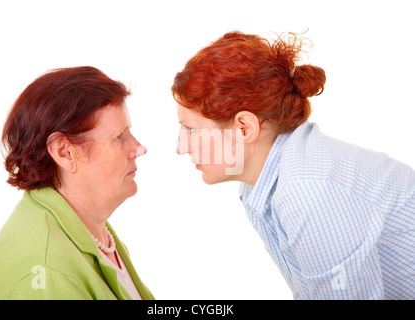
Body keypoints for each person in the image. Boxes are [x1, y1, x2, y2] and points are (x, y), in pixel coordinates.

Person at [172, 31, 415, 299]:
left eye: (190, 129)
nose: (181, 147)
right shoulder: (260, 187)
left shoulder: (307, 188)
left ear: (244, 128)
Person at [0, 66, 153, 300]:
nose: (139, 148)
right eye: (119, 137)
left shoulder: (88, 229)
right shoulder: (48, 271)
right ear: (64, 152)